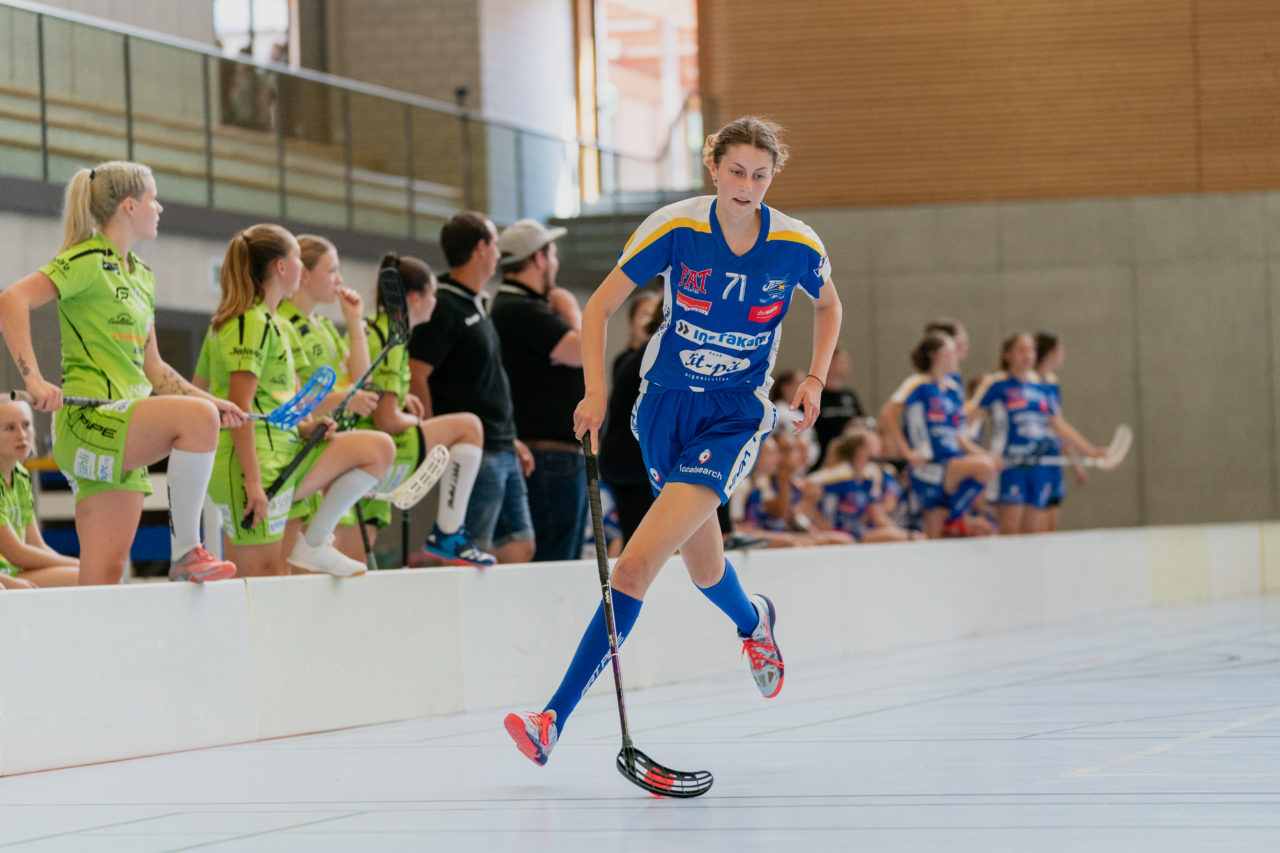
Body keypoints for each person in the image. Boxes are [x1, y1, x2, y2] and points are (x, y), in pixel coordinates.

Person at [504, 116, 843, 766]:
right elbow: (600, 306)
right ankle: (753, 622)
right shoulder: (675, 227)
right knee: (705, 567)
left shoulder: (796, 244)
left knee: (632, 565)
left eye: (760, 175)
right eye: (737, 171)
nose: (747, 187)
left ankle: (551, 719)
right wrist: (599, 392)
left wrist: (818, 378)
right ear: (713, 165)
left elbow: (828, 304)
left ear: (773, 178)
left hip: (732, 414)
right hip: (661, 409)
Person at [0, 161, 245, 585]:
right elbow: (11, 300)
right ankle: (187, 551)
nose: (160, 208)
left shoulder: (143, 276)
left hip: (122, 430)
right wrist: (35, 380)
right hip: (90, 422)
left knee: (104, 578)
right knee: (197, 422)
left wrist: (209, 400)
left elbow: (154, 368)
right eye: (154, 199)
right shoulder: (85, 260)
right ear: (130, 206)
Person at [203, 224, 394, 577]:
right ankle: (315, 543)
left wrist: (306, 427)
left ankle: (316, 542)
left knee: (378, 449)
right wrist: (252, 482)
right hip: (256, 467)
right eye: (297, 260)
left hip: (284, 458)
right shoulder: (249, 323)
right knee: (260, 587)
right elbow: (236, 407)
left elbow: (272, 400)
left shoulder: (271, 322)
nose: (302, 270)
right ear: (280, 267)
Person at [347, 254, 493, 567]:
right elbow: (385, 420)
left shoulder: (380, 331)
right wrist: (413, 418)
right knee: (470, 427)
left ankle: (449, 531)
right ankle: (448, 531)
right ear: (415, 298)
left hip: (366, 454)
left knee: (357, 561)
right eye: (433, 294)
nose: (435, 302)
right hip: (381, 451)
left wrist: (401, 403)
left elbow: (380, 405)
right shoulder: (391, 339)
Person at [408, 212, 535, 564]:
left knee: (519, 545)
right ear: (481, 248)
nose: (499, 254)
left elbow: (482, 382)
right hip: (477, 452)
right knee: (465, 551)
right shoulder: (445, 305)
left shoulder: (474, 302)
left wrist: (510, 438)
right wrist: (431, 437)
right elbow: (416, 372)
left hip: (500, 444)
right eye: (495, 244)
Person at [276, 234, 379, 560]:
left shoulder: (321, 325)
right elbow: (286, 404)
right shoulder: (281, 323)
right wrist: (342, 399)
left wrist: (353, 322)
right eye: (332, 270)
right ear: (303, 274)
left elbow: (365, 382)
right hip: (302, 452)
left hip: (332, 452)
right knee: (301, 575)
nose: (339, 280)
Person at [491, 219, 587, 562]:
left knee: (564, 558)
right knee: (555, 560)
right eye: (553, 254)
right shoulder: (518, 308)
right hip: (547, 458)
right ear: (538, 259)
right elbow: (581, 351)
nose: (557, 263)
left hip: (556, 456)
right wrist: (573, 312)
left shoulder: (525, 307)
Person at [967, 333, 1105, 535]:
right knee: (1009, 533)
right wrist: (974, 451)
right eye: (1021, 350)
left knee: (1035, 535)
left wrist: (1090, 451)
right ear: (1007, 355)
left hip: (1038, 469)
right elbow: (967, 418)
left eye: (1031, 350)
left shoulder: (1041, 387)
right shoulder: (996, 385)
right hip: (1010, 467)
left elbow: (1058, 425)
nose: (1028, 355)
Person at [879, 332, 999, 539]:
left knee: (936, 530)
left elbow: (960, 436)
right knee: (983, 466)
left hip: (951, 461)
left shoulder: (953, 390)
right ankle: (957, 515)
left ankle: (953, 515)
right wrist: (907, 452)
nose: (956, 356)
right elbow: (887, 414)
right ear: (937, 355)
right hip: (929, 465)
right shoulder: (918, 384)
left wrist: (983, 453)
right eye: (951, 351)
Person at [597, 293, 661, 545]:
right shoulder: (644, 357)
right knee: (645, 541)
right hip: (632, 459)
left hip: (627, 457)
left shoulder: (643, 356)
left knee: (641, 539)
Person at [0, 400, 80, 589]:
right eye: (9, 428)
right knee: (93, 577)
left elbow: (36, 545)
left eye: (26, 425)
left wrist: (80, 565)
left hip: (16, 571)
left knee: (100, 577)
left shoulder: (20, 476)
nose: (22, 435)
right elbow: (16, 553)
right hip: (6, 575)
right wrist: (81, 566)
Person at [1036, 331, 1106, 532]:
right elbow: (1056, 424)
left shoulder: (1052, 384)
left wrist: (1076, 462)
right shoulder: (1031, 384)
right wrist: (1090, 451)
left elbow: (1058, 427)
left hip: (1053, 461)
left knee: (1051, 523)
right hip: (1035, 462)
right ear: (1052, 352)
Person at [810, 425, 917, 543]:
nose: (878, 450)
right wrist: (828, 531)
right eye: (873, 445)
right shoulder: (835, 477)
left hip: (855, 533)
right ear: (860, 451)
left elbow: (876, 515)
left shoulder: (869, 479)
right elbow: (809, 505)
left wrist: (902, 534)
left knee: (907, 537)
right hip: (834, 533)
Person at [812, 346, 864, 465]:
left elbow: (860, 421)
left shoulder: (849, 395)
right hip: (823, 461)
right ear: (828, 362)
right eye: (841, 361)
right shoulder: (816, 394)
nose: (846, 365)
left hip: (849, 460)